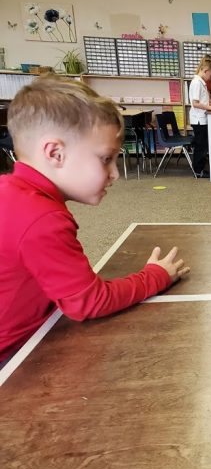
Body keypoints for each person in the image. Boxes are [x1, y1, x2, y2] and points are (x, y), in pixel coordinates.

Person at [0, 74, 191, 365]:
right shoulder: (42, 218)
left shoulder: (10, 191)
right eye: (105, 159)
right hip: (11, 358)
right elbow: (89, 302)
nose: (115, 174)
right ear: (55, 153)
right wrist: (156, 276)